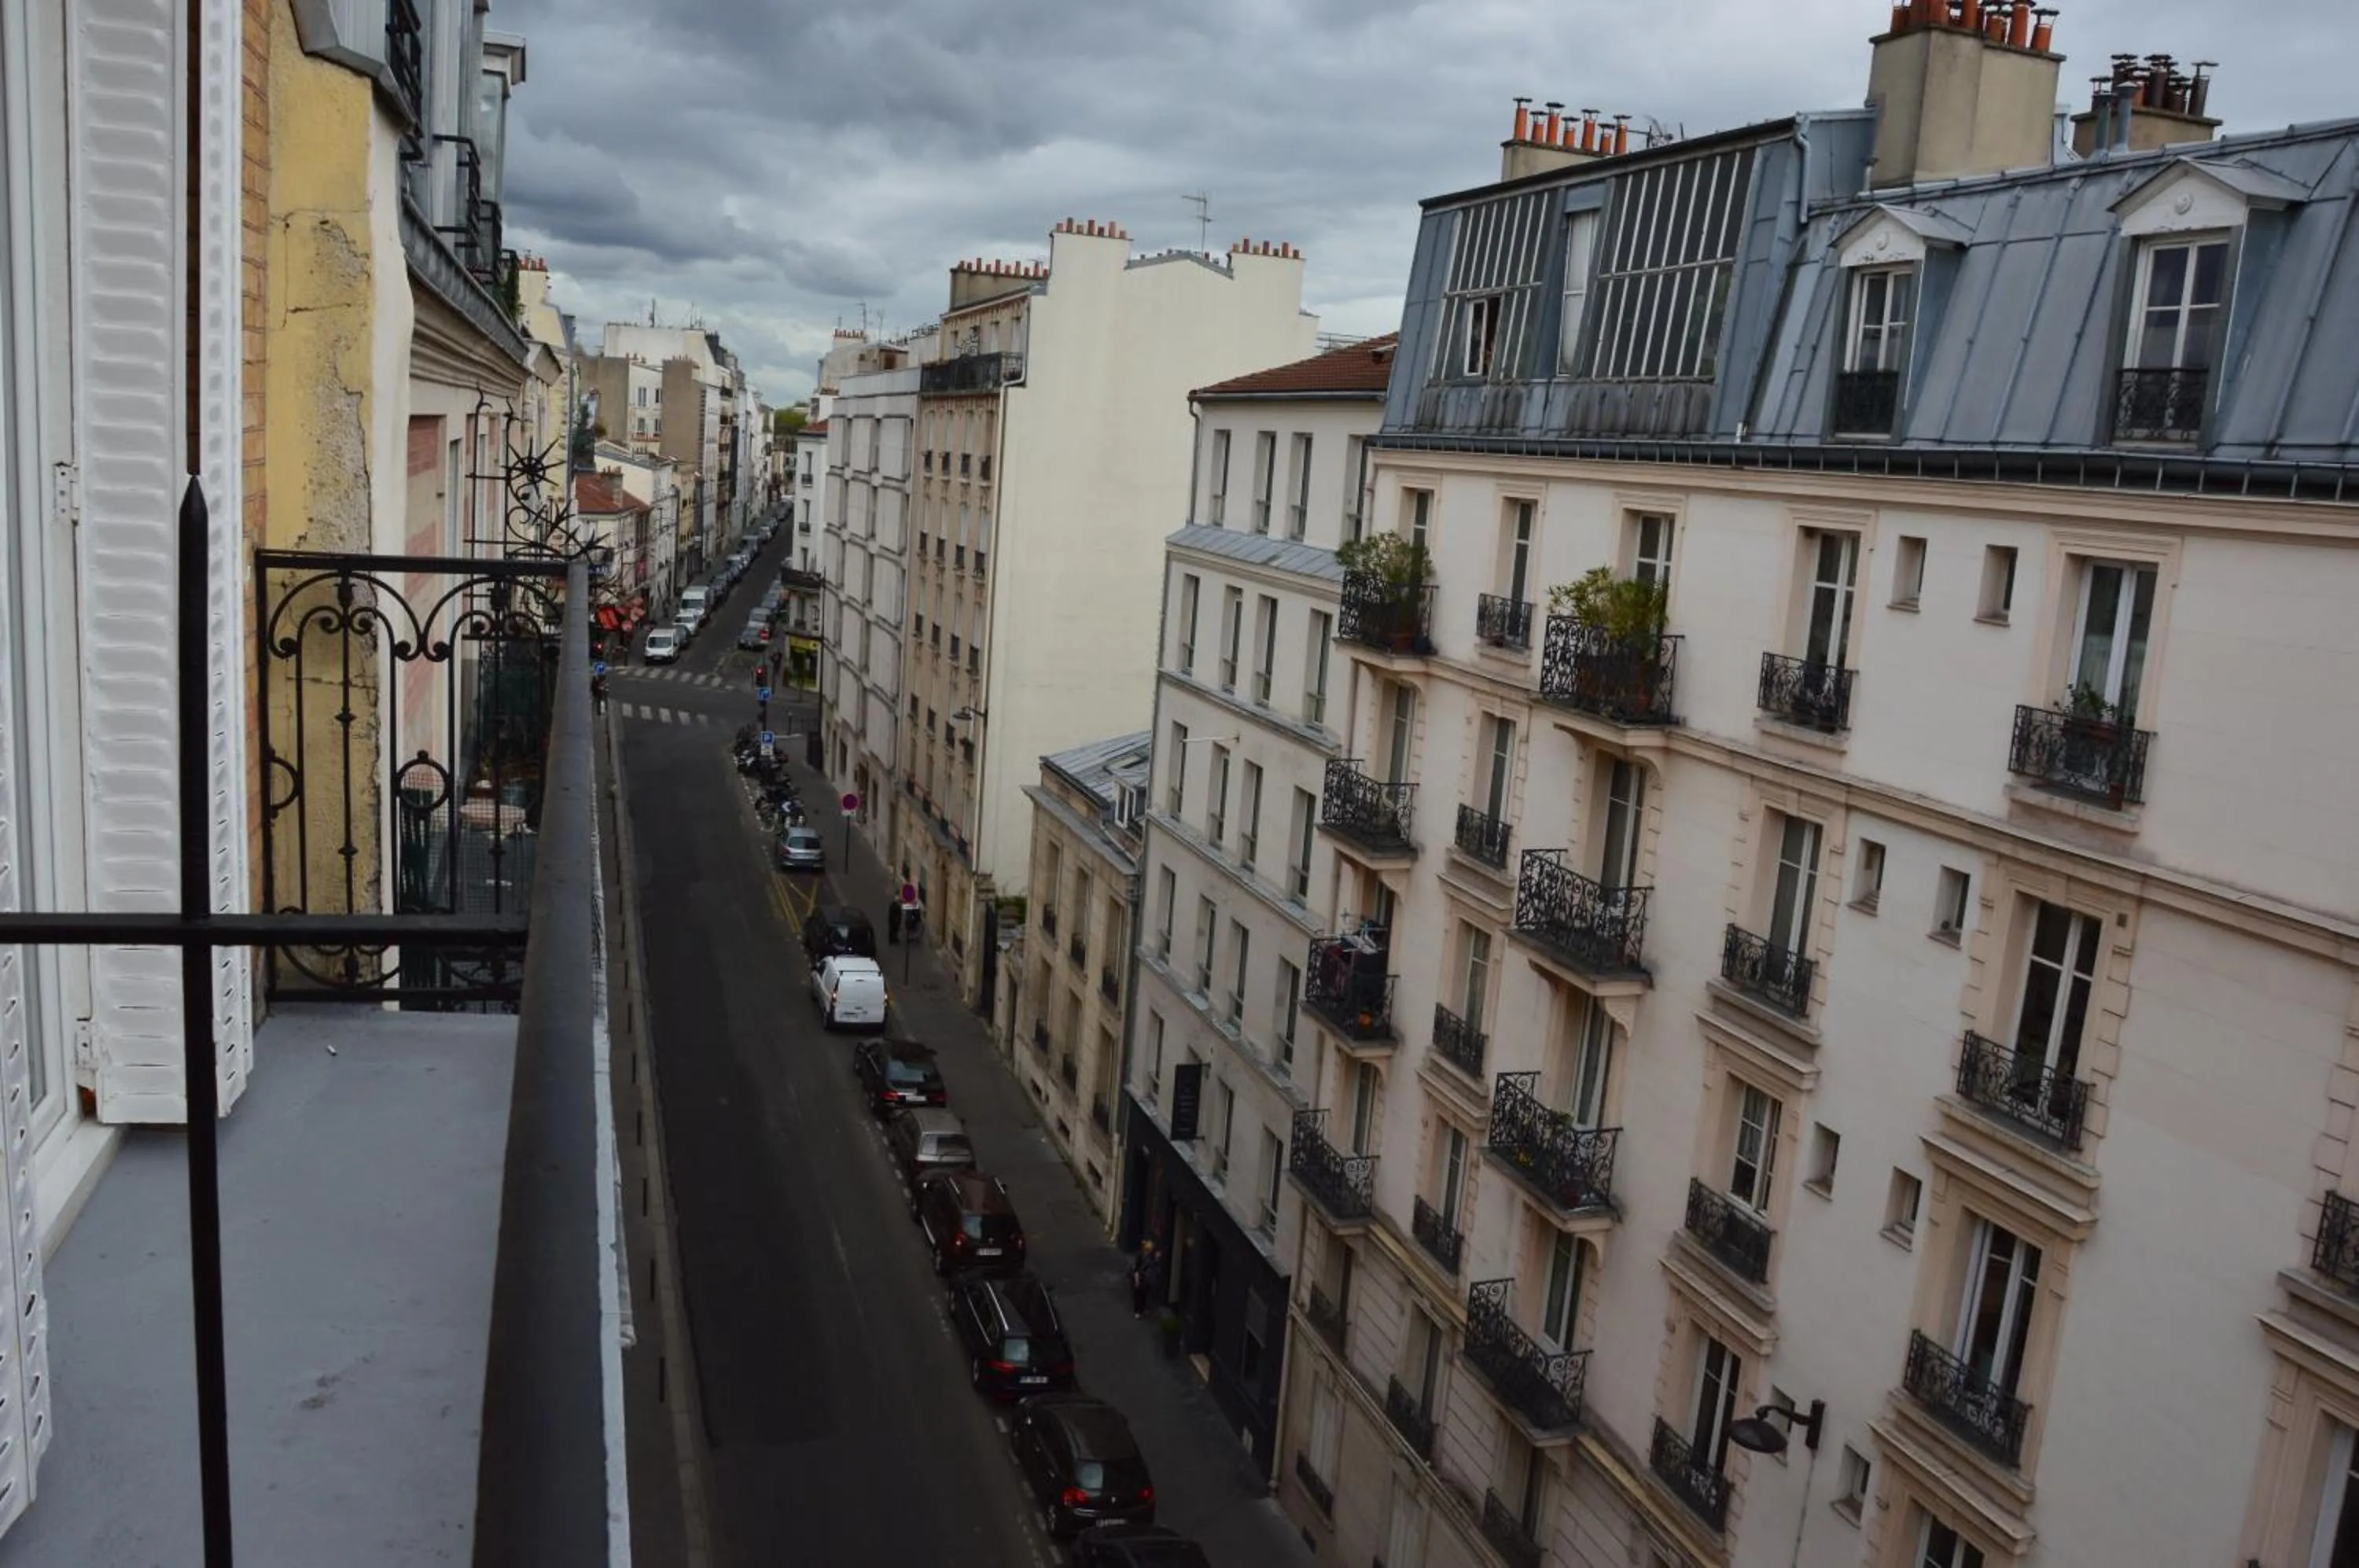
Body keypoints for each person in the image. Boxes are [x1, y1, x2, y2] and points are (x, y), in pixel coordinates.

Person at [1130, 1238, 1159, 1319]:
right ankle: (1137, 1311)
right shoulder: (1140, 1255)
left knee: (1144, 1294)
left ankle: (1142, 1309)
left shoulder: (1151, 1257)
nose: (1149, 1251)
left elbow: (1153, 1266)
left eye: (1150, 1249)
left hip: (1147, 1278)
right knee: (1138, 1294)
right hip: (1140, 1276)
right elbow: (1136, 1268)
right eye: (1149, 1249)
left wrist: (1156, 1259)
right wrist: (1136, 1279)